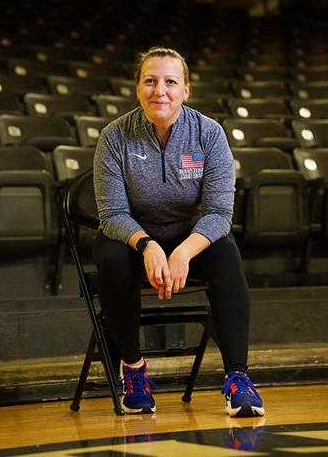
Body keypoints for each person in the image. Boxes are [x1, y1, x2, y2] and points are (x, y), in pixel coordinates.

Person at [93, 46, 265, 417]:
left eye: (171, 81)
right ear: (137, 89)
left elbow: (220, 213)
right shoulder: (114, 137)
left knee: (227, 253)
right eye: (150, 81)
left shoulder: (209, 134)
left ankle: (238, 377)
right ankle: (134, 370)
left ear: (186, 90)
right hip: (133, 240)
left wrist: (184, 252)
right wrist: (147, 245)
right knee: (110, 256)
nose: (161, 91)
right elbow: (111, 214)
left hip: (190, 240)